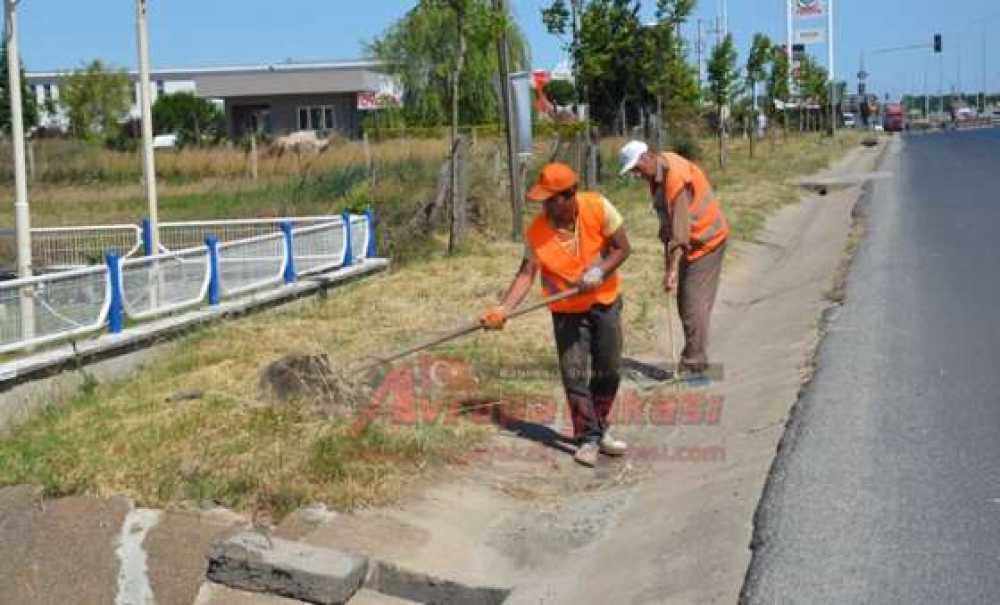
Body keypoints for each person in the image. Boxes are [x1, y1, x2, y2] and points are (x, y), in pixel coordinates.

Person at [480, 163, 631, 468]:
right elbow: (526, 273)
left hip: (604, 301)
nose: (545, 207)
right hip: (566, 312)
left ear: (570, 194)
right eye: (543, 201)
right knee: (573, 375)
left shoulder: (599, 207)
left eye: (551, 200)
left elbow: (622, 248)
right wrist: (503, 308)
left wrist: (600, 271)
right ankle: (587, 437)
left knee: (609, 371)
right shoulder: (536, 231)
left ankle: (600, 427)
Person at [618, 141, 729, 377]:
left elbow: (680, 233)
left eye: (636, 168)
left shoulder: (674, 176)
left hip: (707, 239)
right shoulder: (658, 171)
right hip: (692, 241)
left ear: (647, 157)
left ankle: (693, 365)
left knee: (692, 305)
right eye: (632, 171)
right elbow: (669, 224)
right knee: (686, 303)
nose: (636, 175)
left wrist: (672, 271)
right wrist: (668, 261)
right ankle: (694, 359)